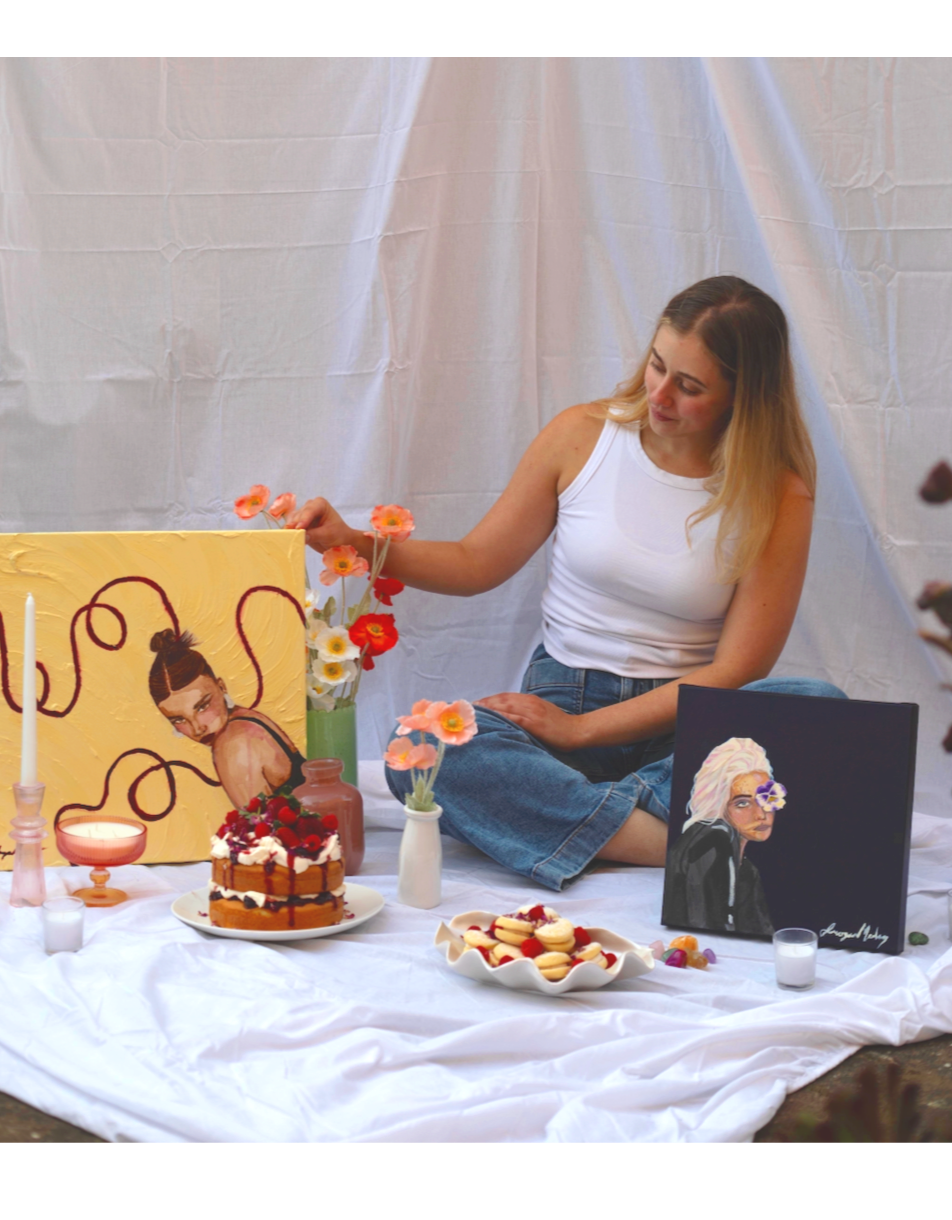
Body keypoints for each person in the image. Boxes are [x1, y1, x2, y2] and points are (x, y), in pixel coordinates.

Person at [288, 275, 845, 890]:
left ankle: (570, 814)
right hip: (562, 698)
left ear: (745, 398)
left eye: (690, 387)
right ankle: (683, 837)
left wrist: (585, 732)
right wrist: (356, 544)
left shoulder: (779, 493)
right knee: (419, 742)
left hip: (686, 722)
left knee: (822, 712)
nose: (659, 394)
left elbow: (738, 669)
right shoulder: (582, 436)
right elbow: (478, 562)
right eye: (657, 365)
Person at [148, 629, 305, 810]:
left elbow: (258, 831)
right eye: (178, 720)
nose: (197, 728)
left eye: (202, 706)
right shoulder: (247, 719)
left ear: (221, 686)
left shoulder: (232, 743)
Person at [661, 737, 783, 936]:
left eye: (766, 798)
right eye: (743, 803)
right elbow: (704, 929)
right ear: (718, 802)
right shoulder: (713, 841)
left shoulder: (746, 871)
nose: (761, 814)